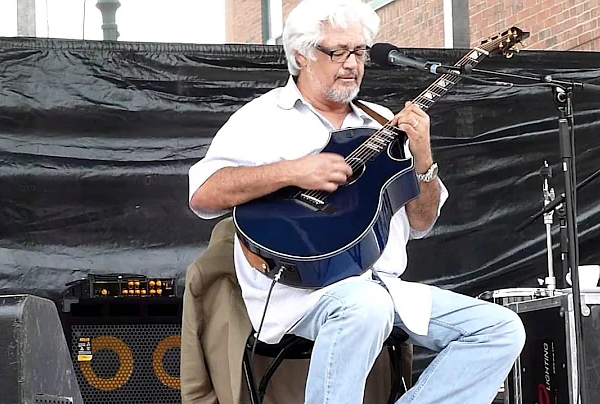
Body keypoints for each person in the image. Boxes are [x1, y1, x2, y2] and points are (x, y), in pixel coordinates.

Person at [188, 0, 525, 402]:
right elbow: (204, 194)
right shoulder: (263, 119)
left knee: (500, 329)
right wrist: (294, 171)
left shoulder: (381, 120)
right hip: (299, 293)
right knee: (364, 305)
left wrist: (424, 157)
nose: (353, 63)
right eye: (338, 52)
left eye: (360, 52)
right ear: (302, 54)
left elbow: (421, 221)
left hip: (384, 288)